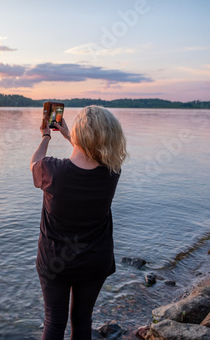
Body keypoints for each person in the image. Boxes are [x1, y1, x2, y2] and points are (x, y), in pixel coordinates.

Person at [30, 105, 127, 340]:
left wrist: (46, 135)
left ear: (80, 134)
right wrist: (68, 135)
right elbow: (90, 155)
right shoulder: (113, 172)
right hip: (95, 260)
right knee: (82, 320)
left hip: (55, 261)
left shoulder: (52, 171)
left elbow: (35, 164)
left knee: (54, 321)